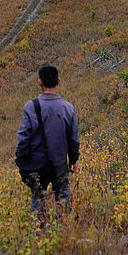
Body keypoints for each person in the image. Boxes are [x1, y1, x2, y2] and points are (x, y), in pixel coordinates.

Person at [15, 65, 80, 220]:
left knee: (37, 201)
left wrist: (21, 158)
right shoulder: (68, 108)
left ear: (39, 82)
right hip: (60, 164)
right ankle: (65, 233)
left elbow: (23, 137)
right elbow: (73, 139)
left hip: (37, 165)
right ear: (58, 81)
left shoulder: (31, 107)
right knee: (63, 200)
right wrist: (73, 160)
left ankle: (39, 235)